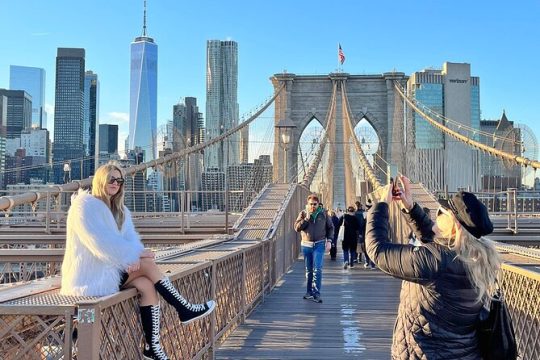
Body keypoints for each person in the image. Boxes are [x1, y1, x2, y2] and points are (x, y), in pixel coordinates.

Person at [60, 163, 216, 360]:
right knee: (148, 265)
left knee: (146, 285)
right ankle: (183, 308)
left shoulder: (120, 210)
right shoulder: (84, 207)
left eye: (119, 181)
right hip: (90, 278)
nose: (116, 184)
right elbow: (100, 243)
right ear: (100, 180)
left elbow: (129, 240)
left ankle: (153, 347)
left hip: (111, 270)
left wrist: (135, 256)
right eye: (111, 180)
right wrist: (134, 258)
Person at [365, 176, 501, 359]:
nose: (436, 216)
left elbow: (378, 251)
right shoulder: (475, 257)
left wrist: (381, 205)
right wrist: (410, 207)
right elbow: (437, 246)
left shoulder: (437, 262)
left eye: (440, 213)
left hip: (426, 353)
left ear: (453, 225)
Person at [294, 194, 334, 303]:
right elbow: (297, 228)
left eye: (314, 204)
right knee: (309, 270)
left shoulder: (324, 214)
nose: (312, 206)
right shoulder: (303, 213)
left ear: (318, 204)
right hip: (306, 245)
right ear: (307, 204)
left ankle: (317, 293)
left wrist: (329, 241)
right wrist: (306, 219)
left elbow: (330, 228)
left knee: (318, 269)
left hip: (319, 244)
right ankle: (309, 292)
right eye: (310, 204)